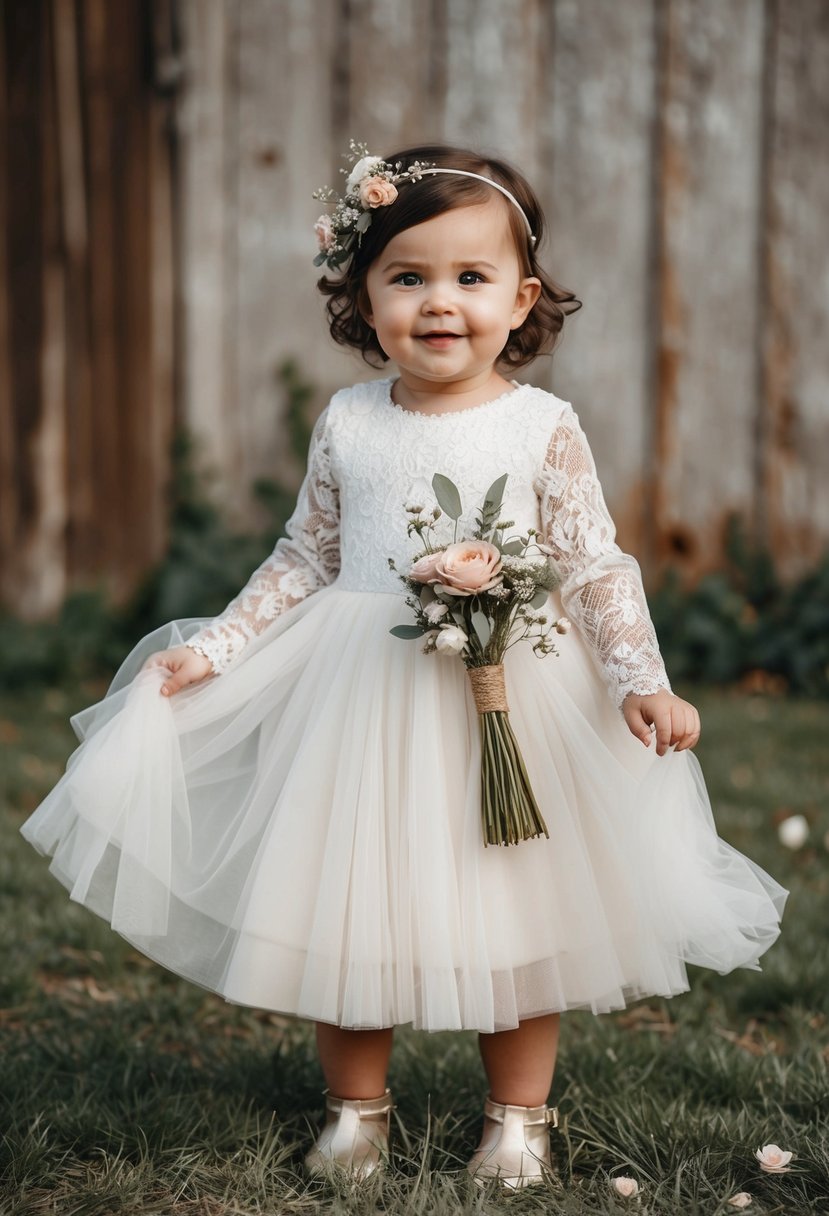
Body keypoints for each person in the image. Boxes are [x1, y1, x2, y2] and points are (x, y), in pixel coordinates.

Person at [20, 142, 787, 1190]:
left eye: (470, 279)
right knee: (350, 903)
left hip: (513, 698)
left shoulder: (540, 427)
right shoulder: (348, 423)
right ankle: (356, 1112)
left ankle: (517, 1121)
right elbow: (306, 555)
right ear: (363, 294)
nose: (440, 303)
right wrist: (217, 646)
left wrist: (636, 678)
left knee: (524, 908)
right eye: (408, 276)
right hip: (363, 699)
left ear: (521, 301)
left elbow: (590, 562)